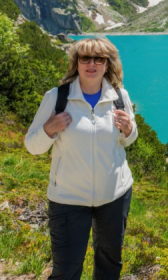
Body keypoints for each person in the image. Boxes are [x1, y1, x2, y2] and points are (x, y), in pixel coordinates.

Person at [25, 37, 138, 280]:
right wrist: (49, 129)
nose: (92, 64)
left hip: (114, 196)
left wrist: (129, 130)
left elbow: (127, 139)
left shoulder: (120, 96)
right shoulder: (57, 97)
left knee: (110, 267)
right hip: (68, 199)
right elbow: (32, 146)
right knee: (66, 271)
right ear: (76, 63)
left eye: (99, 58)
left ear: (107, 64)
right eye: (85, 58)